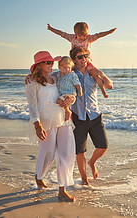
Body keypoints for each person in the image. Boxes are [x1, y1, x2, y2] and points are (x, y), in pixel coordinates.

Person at [25, 51, 76, 202]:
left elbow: (69, 89)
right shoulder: (32, 82)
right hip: (46, 120)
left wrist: (69, 102)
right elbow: (32, 106)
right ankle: (39, 175)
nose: (51, 65)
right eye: (47, 62)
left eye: (51, 62)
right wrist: (37, 125)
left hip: (63, 118)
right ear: (39, 65)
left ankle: (62, 190)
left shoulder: (56, 77)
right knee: (48, 153)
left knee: (66, 153)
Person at [69, 46, 113, 185]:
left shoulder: (93, 72)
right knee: (80, 152)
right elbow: (53, 77)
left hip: (94, 115)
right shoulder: (70, 74)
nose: (84, 59)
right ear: (74, 60)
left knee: (103, 146)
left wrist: (101, 73)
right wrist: (32, 75)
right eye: (80, 57)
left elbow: (109, 86)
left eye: (86, 55)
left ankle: (92, 162)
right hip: (78, 117)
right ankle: (84, 180)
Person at [47, 22, 116, 98]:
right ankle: (67, 94)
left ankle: (103, 91)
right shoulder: (72, 38)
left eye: (84, 35)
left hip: (88, 62)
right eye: (80, 35)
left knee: (96, 76)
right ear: (75, 34)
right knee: (67, 74)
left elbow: (99, 35)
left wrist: (109, 32)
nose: (82, 38)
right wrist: (51, 29)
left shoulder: (89, 39)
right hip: (73, 62)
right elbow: (61, 34)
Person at [57, 56, 83, 121]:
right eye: (65, 67)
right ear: (59, 67)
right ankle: (67, 112)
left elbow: (78, 84)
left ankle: (68, 111)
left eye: (69, 67)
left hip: (70, 94)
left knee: (59, 101)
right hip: (63, 94)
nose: (67, 69)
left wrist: (80, 92)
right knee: (61, 102)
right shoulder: (59, 75)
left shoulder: (72, 75)